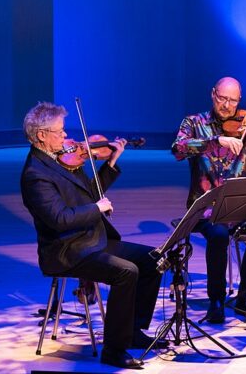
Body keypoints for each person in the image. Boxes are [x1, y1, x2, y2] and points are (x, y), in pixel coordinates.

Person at [20, 102, 166, 370]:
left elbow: (87, 192)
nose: (66, 137)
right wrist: (96, 208)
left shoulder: (58, 160)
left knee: (153, 259)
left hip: (89, 239)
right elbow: (59, 219)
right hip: (66, 250)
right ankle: (114, 349)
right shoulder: (35, 174)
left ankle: (133, 331)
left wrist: (110, 163)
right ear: (41, 135)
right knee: (127, 272)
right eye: (60, 132)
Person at [172, 76, 246, 323]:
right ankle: (215, 299)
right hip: (203, 208)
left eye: (233, 101)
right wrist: (215, 141)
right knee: (218, 235)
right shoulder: (195, 122)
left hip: (237, 206)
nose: (227, 106)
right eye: (222, 98)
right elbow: (178, 149)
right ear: (212, 94)